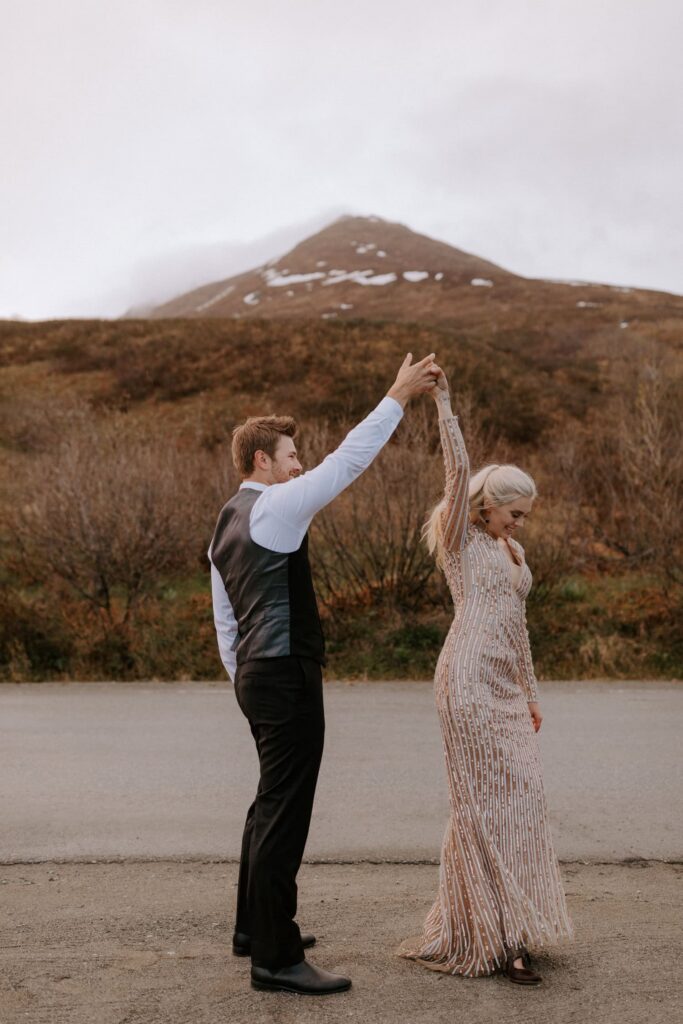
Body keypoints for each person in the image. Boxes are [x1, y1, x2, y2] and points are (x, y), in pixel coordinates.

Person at [209, 353, 439, 995]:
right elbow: (348, 460)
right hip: (284, 673)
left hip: (256, 674)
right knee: (286, 808)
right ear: (262, 462)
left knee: (267, 802)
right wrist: (397, 394)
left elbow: (225, 620)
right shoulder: (277, 507)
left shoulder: (223, 523)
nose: (299, 464)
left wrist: (241, 678)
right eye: (289, 455)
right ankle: (275, 959)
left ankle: (253, 929)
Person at [399, 366, 573, 985]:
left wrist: (530, 693)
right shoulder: (459, 540)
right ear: (488, 504)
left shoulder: (513, 552)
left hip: (504, 690)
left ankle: (512, 923)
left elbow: (519, 626)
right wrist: (444, 403)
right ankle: (500, 939)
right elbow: (454, 470)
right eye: (513, 513)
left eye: (524, 516)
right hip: (465, 683)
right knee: (481, 807)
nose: (519, 524)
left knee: (524, 801)